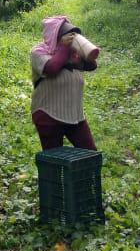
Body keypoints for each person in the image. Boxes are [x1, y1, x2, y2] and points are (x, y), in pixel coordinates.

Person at [29, 15, 99, 150]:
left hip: (75, 116)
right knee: (54, 160)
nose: (70, 38)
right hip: (48, 116)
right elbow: (52, 68)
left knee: (90, 153)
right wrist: (63, 48)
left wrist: (85, 48)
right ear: (54, 36)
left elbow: (92, 66)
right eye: (66, 35)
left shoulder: (72, 54)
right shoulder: (38, 52)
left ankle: (83, 172)